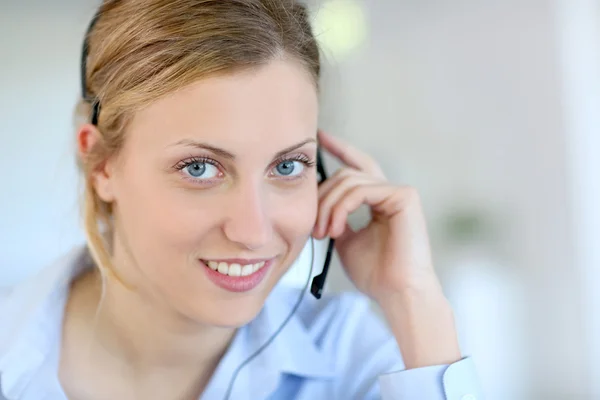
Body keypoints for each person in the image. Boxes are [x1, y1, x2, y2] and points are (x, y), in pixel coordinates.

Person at [0, 1, 485, 399]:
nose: (254, 231)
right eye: (199, 168)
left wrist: (414, 300)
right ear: (102, 165)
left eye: (287, 166)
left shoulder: (348, 354)